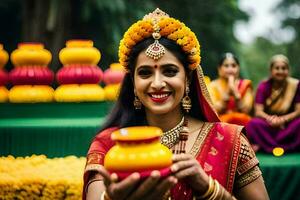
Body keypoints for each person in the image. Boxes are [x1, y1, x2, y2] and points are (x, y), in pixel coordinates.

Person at [83, 8, 269, 200]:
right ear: (133, 83)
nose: (157, 84)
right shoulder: (108, 144)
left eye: (170, 71)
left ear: (188, 79)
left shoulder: (229, 141)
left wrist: (209, 189)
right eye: (145, 73)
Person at [246, 54, 300, 153]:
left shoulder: (295, 85)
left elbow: (298, 111)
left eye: (283, 68)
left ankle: (266, 146)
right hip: (269, 123)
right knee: (253, 124)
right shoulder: (263, 86)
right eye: (277, 68)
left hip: (288, 124)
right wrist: (271, 119)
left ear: (288, 70)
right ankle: (287, 146)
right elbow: (258, 111)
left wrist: (283, 119)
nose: (280, 71)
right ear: (271, 71)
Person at [208, 53, 253, 126]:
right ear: (219, 69)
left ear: (238, 68)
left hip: (243, 122)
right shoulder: (213, 86)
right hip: (220, 123)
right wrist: (228, 92)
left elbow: (246, 110)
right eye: (226, 66)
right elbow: (212, 110)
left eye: (233, 66)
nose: (230, 69)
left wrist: (236, 94)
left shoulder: (245, 84)